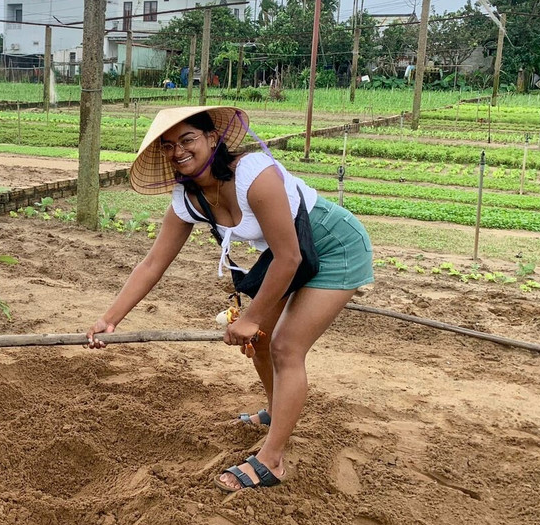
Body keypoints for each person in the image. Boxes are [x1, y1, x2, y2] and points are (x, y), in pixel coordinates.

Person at [85, 106, 374, 491]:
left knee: (286, 347)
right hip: (288, 252)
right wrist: (111, 317)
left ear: (211, 138)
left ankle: (272, 460)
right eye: (168, 146)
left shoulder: (254, 174)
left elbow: (289, 257)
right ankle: (277, 412)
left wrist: (251, 317)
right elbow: (154, 263)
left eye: (187, 140)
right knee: (261, 341)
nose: (178, 152)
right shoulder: (187, 198)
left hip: (335, 245)